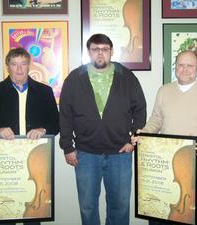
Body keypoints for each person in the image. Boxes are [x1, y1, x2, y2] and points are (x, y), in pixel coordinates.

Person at [132, 50, 197, 225]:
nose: (185, 69)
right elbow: (156, 120)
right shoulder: (164, 91)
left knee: (194, 213)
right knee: (161, 211)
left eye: (190, 65)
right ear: (175, 67)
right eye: (181, 65)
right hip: (166, 161)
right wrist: (144, 134)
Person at [59, 33, 146, 225]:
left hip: (120, 153)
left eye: (105, 49)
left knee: (120, 205)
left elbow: (140, 110)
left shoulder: (127, 77)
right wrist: (67, 147)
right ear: (88, 52)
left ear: (111, 51)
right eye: (95, 49)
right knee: (87, 206)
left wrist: (133, 141)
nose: (100, 54)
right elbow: (64, 114)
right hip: (85, 153)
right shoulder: (75, 78)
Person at [0, 47, 60, 225]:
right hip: (6, 162)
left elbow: (56, 123)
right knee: (5, 216)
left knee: (33, 216)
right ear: (8, 67)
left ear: (29, 66)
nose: (19, 69)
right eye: (14, 64)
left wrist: (43, 130)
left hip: (36, 161)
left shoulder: (44, 92)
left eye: (23, 64)